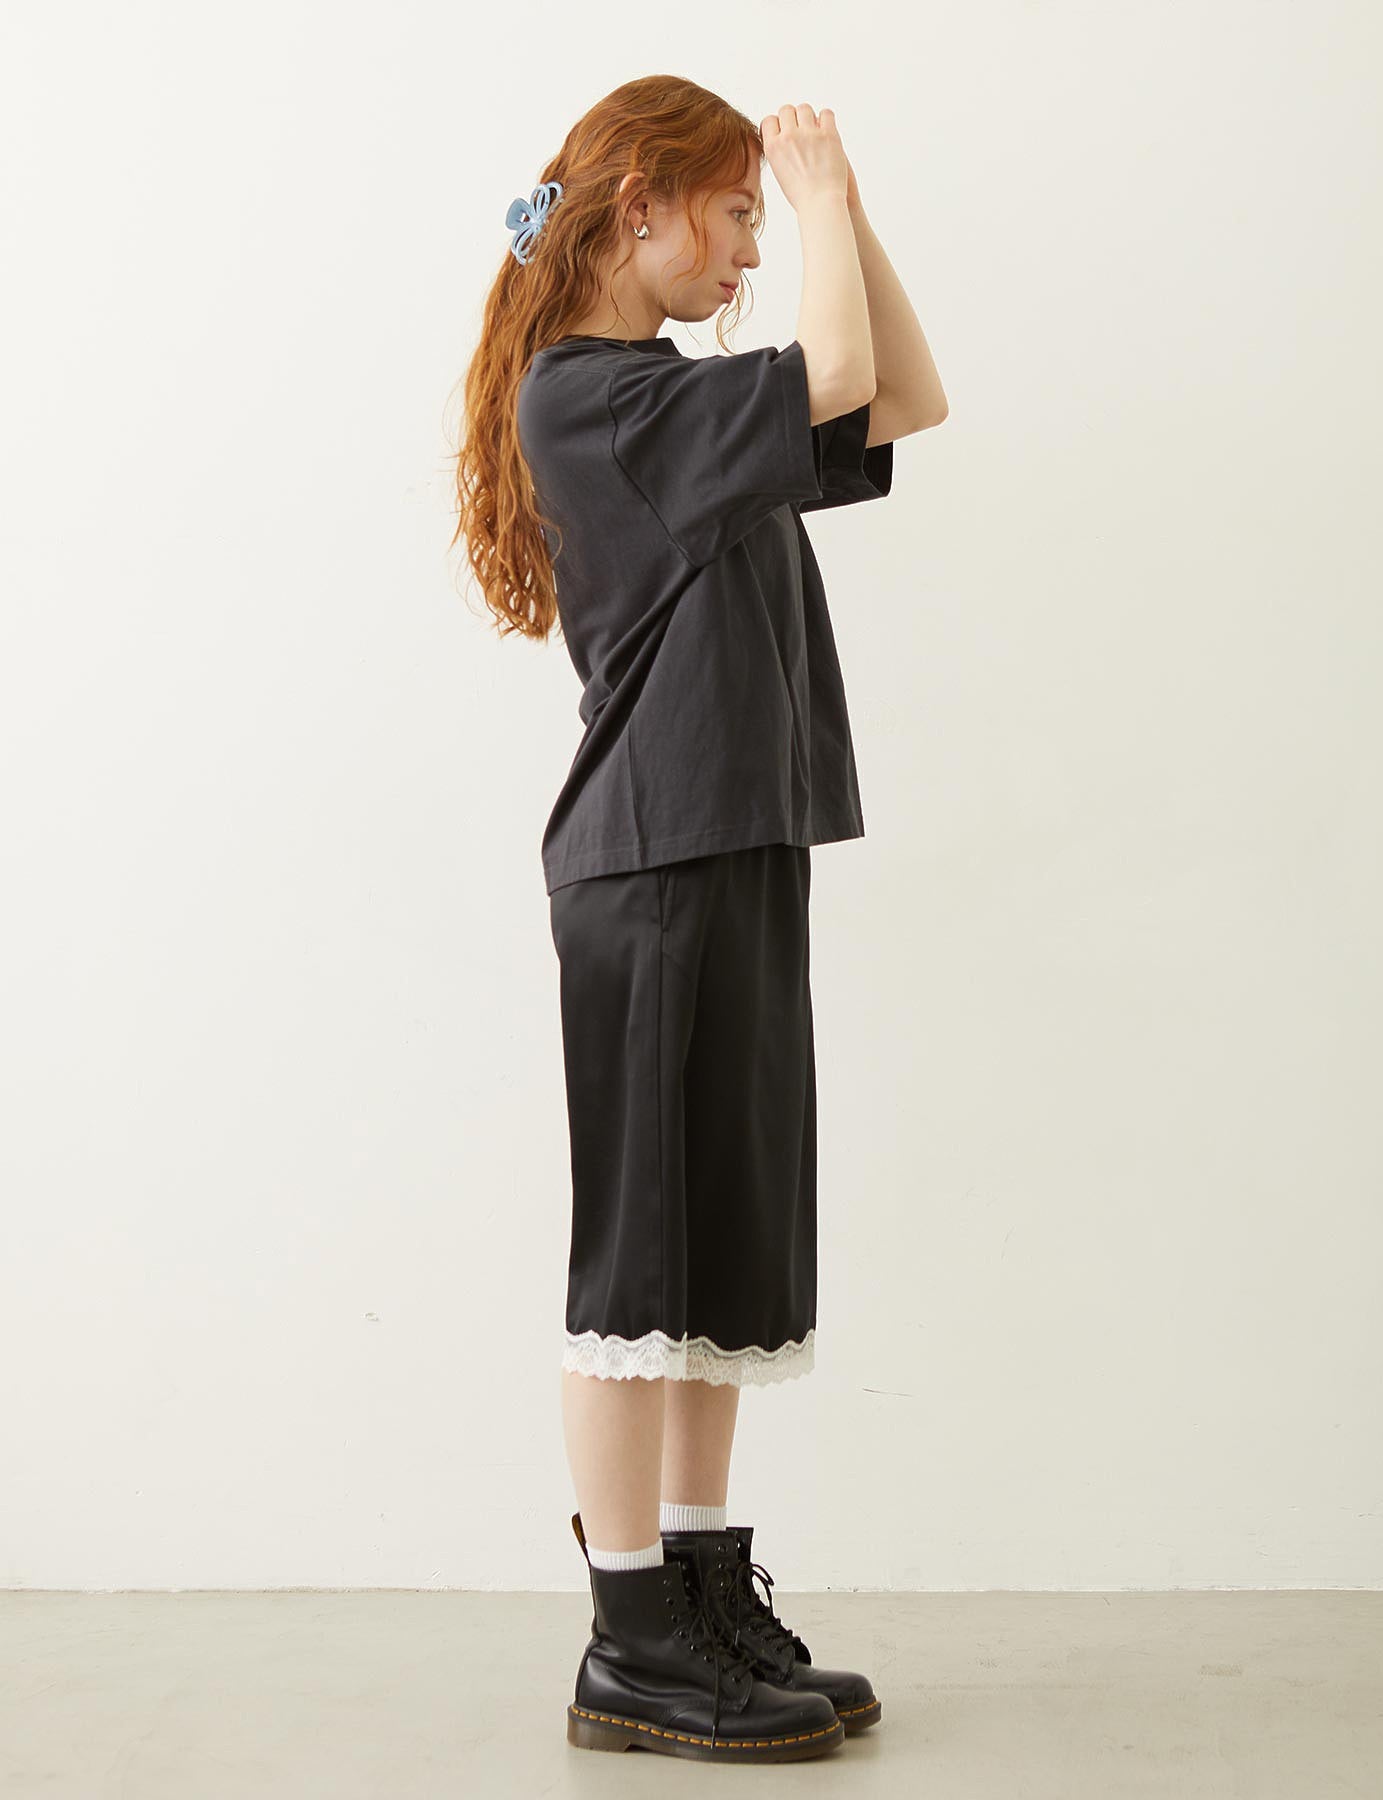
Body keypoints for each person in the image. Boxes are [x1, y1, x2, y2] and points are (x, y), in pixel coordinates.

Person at [451, 75, 947, 1763]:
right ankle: (630, 1636)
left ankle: (704, 1591)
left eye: (755, 218)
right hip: (652, 866)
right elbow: (839, 368)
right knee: (637, 1262)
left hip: (729, 844)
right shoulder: (593, 401)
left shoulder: (676, 399)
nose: (746, 250)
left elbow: (901, 393)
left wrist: (838, 213)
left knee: (718, 1255)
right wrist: (819, 203)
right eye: (730, 215)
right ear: (637, 207)